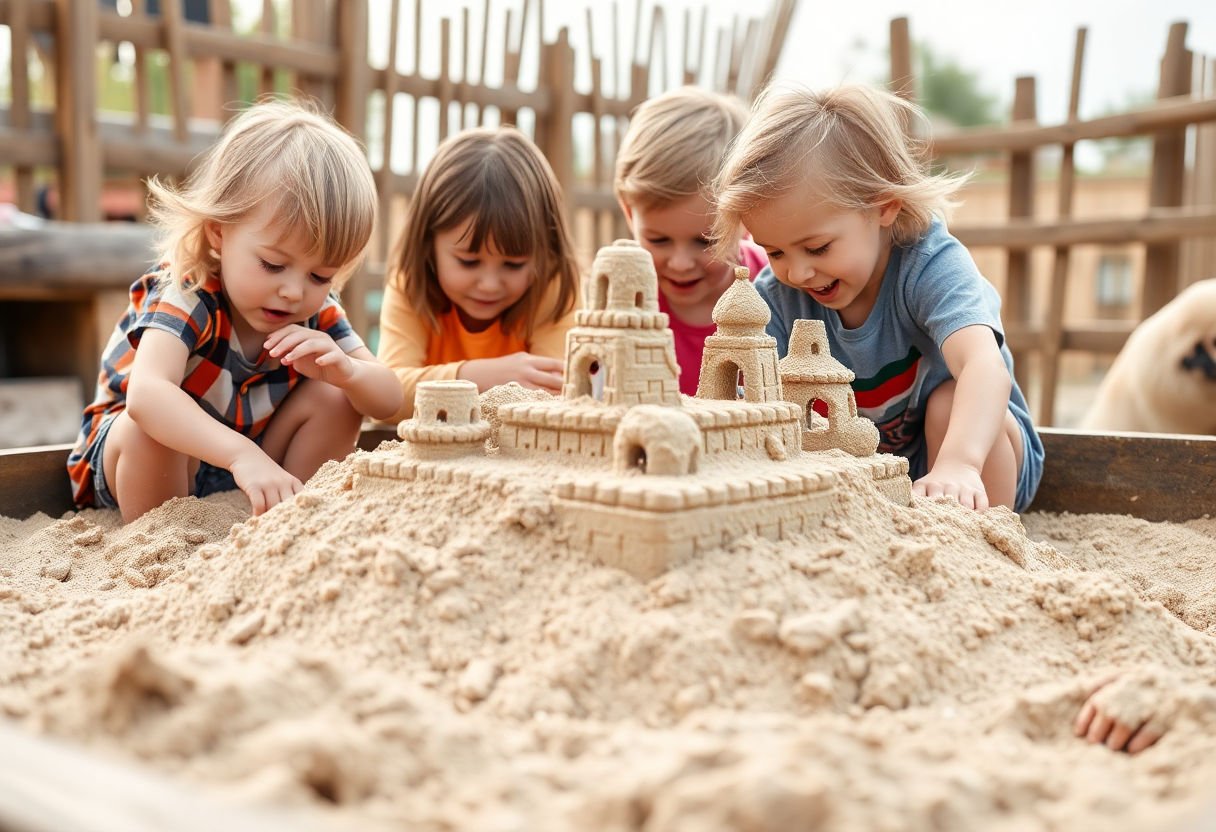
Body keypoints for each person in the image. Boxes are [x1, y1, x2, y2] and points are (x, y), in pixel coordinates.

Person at [712, 83, 1043, 512]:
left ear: (882, 206)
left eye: (817, 248)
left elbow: (984, 365)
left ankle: (987, 541)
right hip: (865, 468)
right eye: (774, 252)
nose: (798, 271)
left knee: (946, 402)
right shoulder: (778, 298)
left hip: (976, 453)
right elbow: (755, 407)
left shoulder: (928, 263)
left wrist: (959, 464)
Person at [67, 99, 402, 521]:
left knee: (337, 398)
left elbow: (389, 399)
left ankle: (290, 516)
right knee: (149, 432)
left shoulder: (316, 313)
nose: (293, 292)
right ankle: (161, 540)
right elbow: (147, 397)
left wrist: (348, 373)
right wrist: (241, 455)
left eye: (320, 276)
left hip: (252, 466)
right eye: (273, 265)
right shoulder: (187, 290)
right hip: (143, 464)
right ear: (219, 233)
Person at [377, 127, 581, 421]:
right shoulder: (411, 285)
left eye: (513, 265)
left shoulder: (554, 288)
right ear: (427, 244)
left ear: (545, 253)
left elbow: (553, 396)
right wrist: (476, 378)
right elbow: (387, 401)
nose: (488, 284)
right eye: (468, 262)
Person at [614, 86, 768, 395]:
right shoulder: (623, 301)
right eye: (658, 240)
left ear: (748, 220)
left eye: (706, 241)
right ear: (630, 213)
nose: (680, 263)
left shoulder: (774, 293)